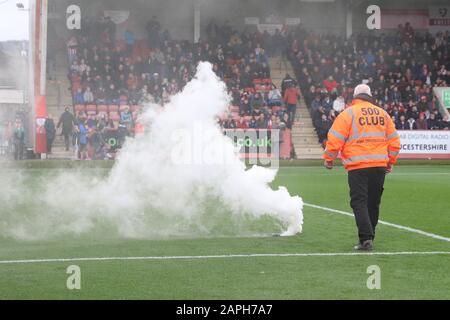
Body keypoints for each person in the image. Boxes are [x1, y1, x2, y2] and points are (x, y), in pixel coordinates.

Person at [323, 84, 401, 251]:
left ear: (355, 96)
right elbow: (395, 141)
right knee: (373, 203)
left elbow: (335, 137)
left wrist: (329, 159)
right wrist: (390, 162)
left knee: (359, 202)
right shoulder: (383, 114)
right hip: (379, 165)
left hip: (357, 165)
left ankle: (366, 239)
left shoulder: (348, 113)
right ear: (370, 96)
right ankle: (369, 236)